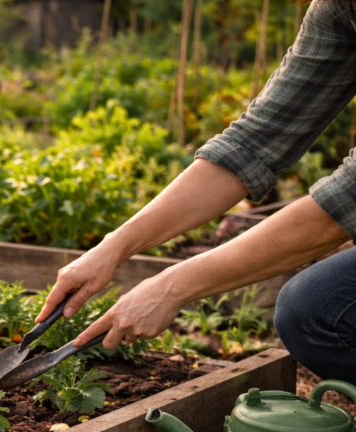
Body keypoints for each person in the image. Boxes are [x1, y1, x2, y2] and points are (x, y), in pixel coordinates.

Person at [38, 0, 356, 383]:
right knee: (312, 309)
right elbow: (254, 142)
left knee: (320, 312)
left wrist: (171, 288)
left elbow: (344, 203)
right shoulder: (339, 9)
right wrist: (113, 247)